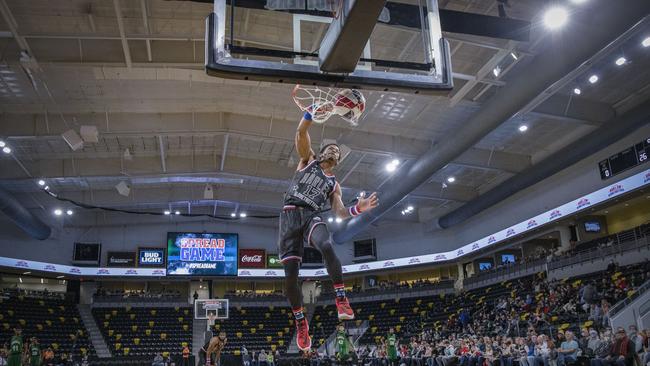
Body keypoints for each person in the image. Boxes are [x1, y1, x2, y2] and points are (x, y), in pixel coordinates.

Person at [279, 106, 379, 351]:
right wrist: (311, 113)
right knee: (291, 275)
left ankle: (341, 299)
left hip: (312, 215)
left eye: (337, 152)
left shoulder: (334, 184)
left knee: (326, 244)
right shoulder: (307, 160)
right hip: (290, 215)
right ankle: (301, 322)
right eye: (331, 148)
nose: (334, 151)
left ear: (337, 162)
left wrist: (359, 208)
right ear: (322, 152)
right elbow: (301, 132)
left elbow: (340, 212)